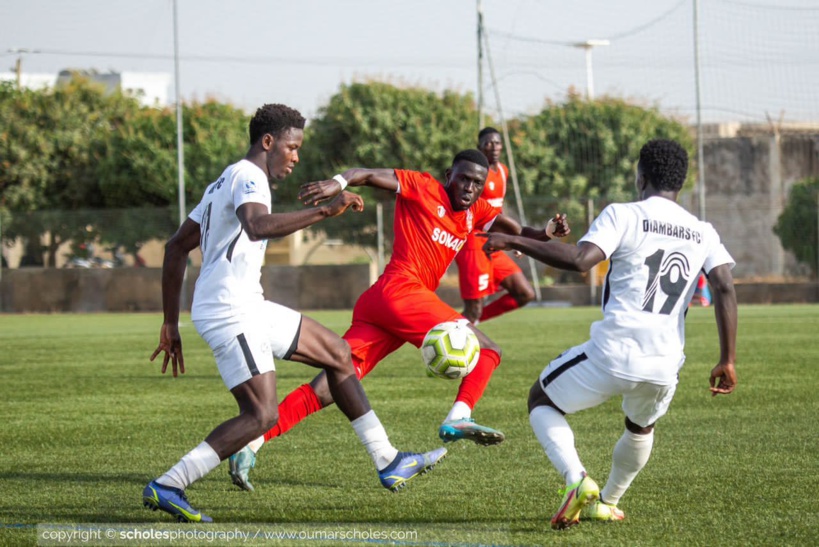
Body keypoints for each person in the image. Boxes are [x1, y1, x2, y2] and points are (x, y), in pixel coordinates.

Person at [143, 104, 446, 523]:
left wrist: (170, 322)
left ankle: (388, 460)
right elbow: (257, 226)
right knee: (262, 415)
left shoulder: (223, 181)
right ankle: (169, 484)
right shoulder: (250, 176)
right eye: (292, 146)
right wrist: (327, 210)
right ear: (268, 143)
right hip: (231, 311)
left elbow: (175, 247)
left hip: (245, 304)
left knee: (339, 354)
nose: (296, 156)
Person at [227, 149, 570, 491]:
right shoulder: (422, 186)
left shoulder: (476, 210)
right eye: (463, 178)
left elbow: (518, 231)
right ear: (449, 175)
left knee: (331, 385)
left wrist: (547, 233)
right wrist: (338, 182)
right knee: (488, 350)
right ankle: (459, 418)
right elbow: (364, 173)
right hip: (400, 290)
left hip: (383, 305)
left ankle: (252, 442)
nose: (468, 187)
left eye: (476, 183)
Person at [482, 139, 738, 530]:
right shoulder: (702, 231)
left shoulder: (625, 214)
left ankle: (577, 479)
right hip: (665, 363)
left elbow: (582, 260)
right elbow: (724, 286)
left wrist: (517, 240)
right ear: (680, 184)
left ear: (642, 176)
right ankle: (608, 501)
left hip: (614, 351)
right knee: (640, 427)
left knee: (541, 399)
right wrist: (728, 359)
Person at [455, 127, 535, 324]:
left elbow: (498, 212)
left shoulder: (503, 171)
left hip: (494, 243)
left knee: (524, 293)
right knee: (474, 307)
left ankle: (469, 323)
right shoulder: (476, 175)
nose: (494, 147)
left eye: (497, 142)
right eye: (488, 143)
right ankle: (456, 329)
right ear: (480, 147)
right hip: (474, 244)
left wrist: (513, 240)